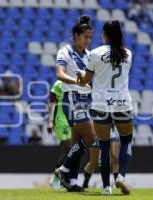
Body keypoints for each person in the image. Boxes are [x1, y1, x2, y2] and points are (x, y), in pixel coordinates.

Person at [77, 20, 133, 195]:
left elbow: (85, 80)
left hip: (101, 104)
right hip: (122, 103)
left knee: (104, 146)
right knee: (126, 142)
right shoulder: (128, 54)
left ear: (104, 35)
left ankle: (106, 188)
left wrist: (80, 75)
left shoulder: (94, 53)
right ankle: (121, 177)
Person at [55, 15, 96, 192]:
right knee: (91, 138)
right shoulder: (65, 51)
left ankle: (71, 182)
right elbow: (59, 74)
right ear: (76, 35)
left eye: (90, 37)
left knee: (78, 143)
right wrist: (75, 81)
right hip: (72, 98)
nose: (88, 40)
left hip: (88, 100)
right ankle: (63, 169)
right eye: (85, 36)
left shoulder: (89, 56)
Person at [46, 80, 71, 189]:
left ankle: (59, 177)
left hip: (73, 120)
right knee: (69, 148)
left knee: (70, 150)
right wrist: (50, 121)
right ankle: (59, 174)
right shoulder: (58, 84)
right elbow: (51, 102)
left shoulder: (77, 82)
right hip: (61, 121)